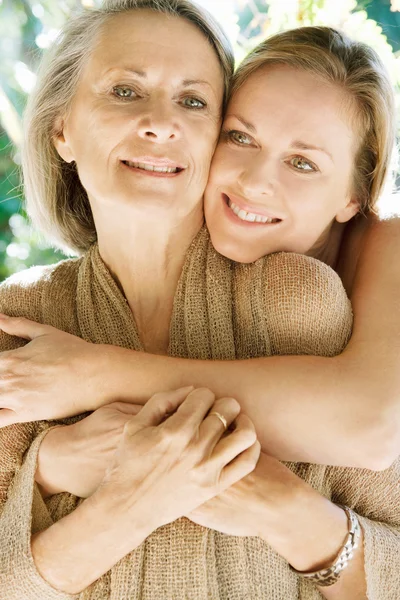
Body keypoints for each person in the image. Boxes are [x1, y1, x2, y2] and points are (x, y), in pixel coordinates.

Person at [0, 1, 398, 599]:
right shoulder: (16, 324)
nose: (161, 124)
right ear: (62, 128)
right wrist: (82, 485)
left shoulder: (299, 301)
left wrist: (285, 512)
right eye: (125, 91)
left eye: (192, 101)